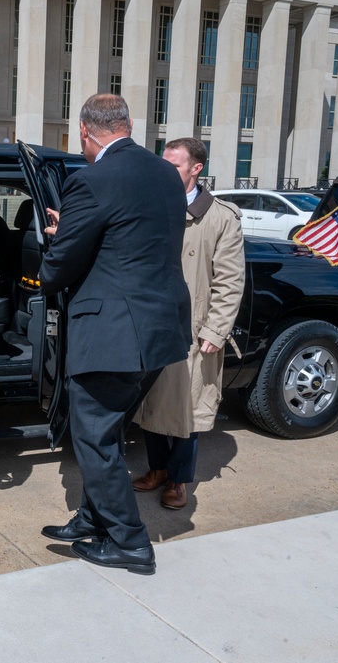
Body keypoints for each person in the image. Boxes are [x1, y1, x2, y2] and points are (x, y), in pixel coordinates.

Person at [37, 94, 191, 575]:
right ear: (126, 124)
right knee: (108, 430)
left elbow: (58, 268)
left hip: (114, 334)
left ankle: (129, 541)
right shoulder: (165, 173)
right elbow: (131, 236)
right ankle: (91, 519)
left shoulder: (92, 180)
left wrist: (57, 241)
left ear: (85, 130)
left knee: (93, 437)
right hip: (162, 331)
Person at [132, 137, 245, 510]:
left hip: (193, 330)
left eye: (175, 166)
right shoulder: (150, 205)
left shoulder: (221, 218)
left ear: (196, 168)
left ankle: (179, 480)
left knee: (188, 408)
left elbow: (230, 281)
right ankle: (158, 469)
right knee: (150, 404)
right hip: (152, 323)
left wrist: (215, 330)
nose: (165, 171)